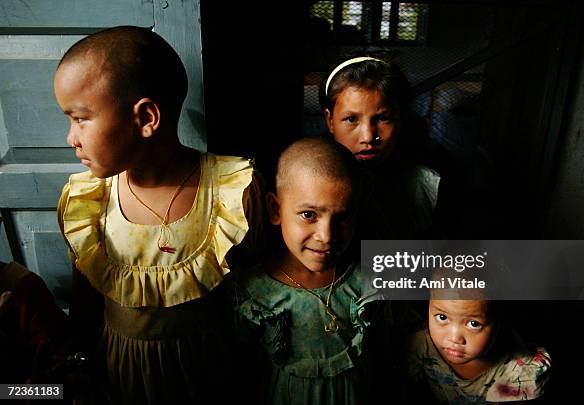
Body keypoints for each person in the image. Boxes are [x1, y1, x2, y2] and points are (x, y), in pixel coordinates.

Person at [54, 26, 260, 404]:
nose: (71, 137)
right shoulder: (87, 202)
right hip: (119, 375)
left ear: (146, 117)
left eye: (80, 118)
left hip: (212, 374)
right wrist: (78, 367)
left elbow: (259, 287)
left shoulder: (232, 191)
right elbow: (84, 300)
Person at [229, 138, 383, 405]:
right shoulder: (255, 292)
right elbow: (241, 371)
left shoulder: (367, 278)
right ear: (276, 209)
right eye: (309, 215)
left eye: (343, 217)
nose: (326, 236)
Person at [319, 55, 440, 239]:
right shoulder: (309, 176)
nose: (368, 137)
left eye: (383, 119)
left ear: (400, 118)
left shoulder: (428, 184)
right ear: (330, 120)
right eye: (351, 119)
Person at [406, 276, 552, 404]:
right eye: (442, 317)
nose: (454, 338)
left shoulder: (518, 374)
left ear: (500, 322)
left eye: (473, 324)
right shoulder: (420, 344)